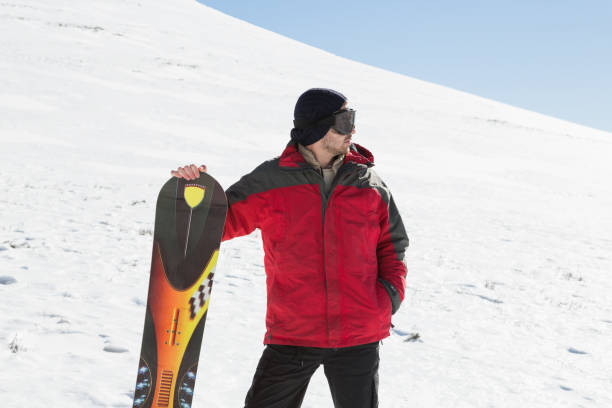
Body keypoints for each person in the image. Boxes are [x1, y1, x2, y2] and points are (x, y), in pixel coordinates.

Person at [171, 88, 408, 408]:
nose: (352, 129)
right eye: (344, 120)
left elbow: (393, 244)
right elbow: (217, 227)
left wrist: (387, 297)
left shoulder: (370, 183)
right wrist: (195, 194)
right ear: (317, 127)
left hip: (359, 335)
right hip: (294, 334)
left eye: (352, 119)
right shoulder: (272, 180)